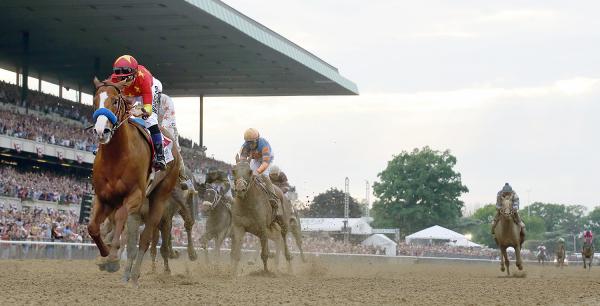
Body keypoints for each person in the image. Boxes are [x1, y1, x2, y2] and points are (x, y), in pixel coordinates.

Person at [110, 55, 166, 170]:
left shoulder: (143, 78)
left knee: (150, 119)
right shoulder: (113, 79)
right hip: (131, 94)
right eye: (120, 79)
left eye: (126, 78)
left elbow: (148, 109)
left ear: (134, 74)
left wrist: (139, 111)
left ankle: (161, 156)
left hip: (149, 90)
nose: (123, 82)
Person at [153, 79, 194, 191]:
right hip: (150, 128)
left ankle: (182, 177)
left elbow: (168, 120)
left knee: (174, 149)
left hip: (166, 129)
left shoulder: (166, 100)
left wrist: (158, 131)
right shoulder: (144, 99)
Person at [238, 128, 281, 218]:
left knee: (264, 176)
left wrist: (257, 172)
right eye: (248, 143)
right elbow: (242, 163)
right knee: (248, 176)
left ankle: (273, 198)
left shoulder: (264, 145)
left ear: (257, 140)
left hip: (266, 159)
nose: (250, 145)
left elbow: (265, 163)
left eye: (252, 143)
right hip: (256, 159)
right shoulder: (245, 147)